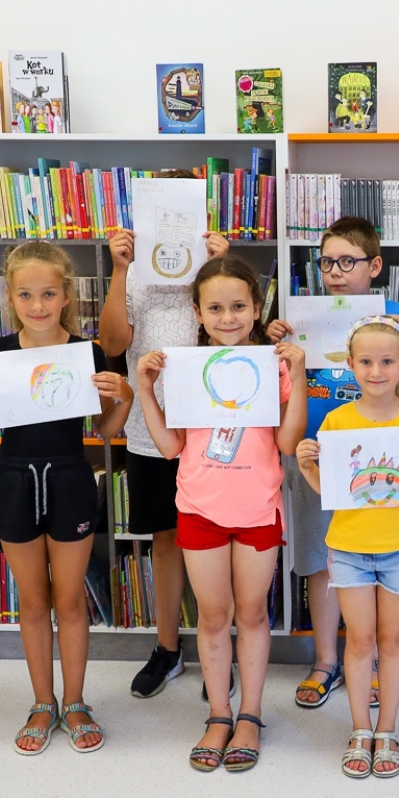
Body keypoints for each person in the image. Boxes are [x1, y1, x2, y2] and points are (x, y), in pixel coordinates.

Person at [0, 243, 130, 754]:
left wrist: (126, 399)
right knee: (33, 602)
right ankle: (42, 702)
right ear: (10, 296)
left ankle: (75, 702)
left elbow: (105, 432)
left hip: (71, 477)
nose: (38, 304)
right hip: (13, 479)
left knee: (69, 602)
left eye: (49, 293)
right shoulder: (0, 353)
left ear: (66, 295)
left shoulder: (87, 353)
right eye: (26, 294)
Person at [135, 257, 307, 771]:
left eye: (238, 306)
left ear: (256, 310)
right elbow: (169, 448)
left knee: (252, 614)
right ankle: (217, 713)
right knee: (213, 617)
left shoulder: (271, 366)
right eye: (215, 308)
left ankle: (250, 716)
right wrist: (146, 389)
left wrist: (296, 377)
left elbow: (288, 442)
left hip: (256, 510)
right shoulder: (187, 369)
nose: (227, 317)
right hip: (200, 509)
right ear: (198, 313)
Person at [265, 215, 399, 712]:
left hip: (379, 457)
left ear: (375, 266)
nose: (335, 272)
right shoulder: (302, 314)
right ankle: (326, 660)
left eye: (348, 261)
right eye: (327, 262)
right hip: (316, 454)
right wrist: (277, 342)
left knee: (381, 556)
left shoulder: (394, 314)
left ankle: (377, 659)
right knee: (323, 561)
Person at [295, 317, 399, 777]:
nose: (376, 371)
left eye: (386, 361)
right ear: (349, 365)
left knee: (391, 640)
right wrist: (306, 464)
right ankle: (359, 729)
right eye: (365, 361)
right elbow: (329, 490)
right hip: (349, 547)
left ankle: (386, 729)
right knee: (361, 640)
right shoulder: (337, 420)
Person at [101, 227, 230, 699]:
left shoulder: (216, 273)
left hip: (214, 431)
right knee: (167, 537)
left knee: (218, 536)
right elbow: (113, 344)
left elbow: (239, 338)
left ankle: (220, 651)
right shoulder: (134, 275)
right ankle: (168, 647)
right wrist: (118, 270)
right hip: (150, 428)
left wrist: (218, 264)